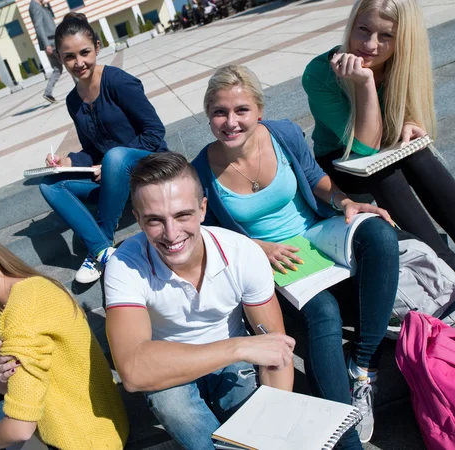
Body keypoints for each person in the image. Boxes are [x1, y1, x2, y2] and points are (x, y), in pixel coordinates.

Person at [192, 65, 400, 448]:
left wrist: (346, 201)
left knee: (379, 233)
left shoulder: (283, 133)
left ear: (258, 109)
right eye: (220, 112)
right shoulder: (201, 171)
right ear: (209, 115)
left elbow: (313, 175)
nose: (231, 121)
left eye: (241, 110)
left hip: (317, 231)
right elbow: (207, 233)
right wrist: (259, 249)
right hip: (273, 257)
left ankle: (363, 364)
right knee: (323, 313)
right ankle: (343, 433)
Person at [105, 152, 296, 450]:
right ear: (139, 220)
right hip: (172, 363)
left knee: (258, 424)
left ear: (203, 208)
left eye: (182, 215)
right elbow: (132, 372)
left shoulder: (241, 253)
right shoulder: (124, 265)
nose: (171, 234)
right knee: (174, 405)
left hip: (231, 364)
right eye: (155, 220)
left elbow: (278, 353)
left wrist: (272, 432)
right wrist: (239, 346)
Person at [0, 221, 129, 450]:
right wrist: (1, 377)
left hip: (88, 441)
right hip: (72, 430)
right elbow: (1, 384)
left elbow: (20, 428)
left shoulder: (25, 307)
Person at [302, 0, 455, 270]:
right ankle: (445, 266)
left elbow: (408, 112)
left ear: (402, 41)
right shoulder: (320, 73)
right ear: (351, 26)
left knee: (418, 155)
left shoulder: (401, 62)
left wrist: (410, 121)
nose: (370, 45)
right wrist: (365, 82)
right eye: (363, 29)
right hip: (340, 162)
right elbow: (364, 147)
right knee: (382, 172)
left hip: (386, 149)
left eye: (386, 36)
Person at [39, 13, 168, 284]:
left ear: (97, 47)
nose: (79, 63)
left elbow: (155, 132)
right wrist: (70, 161)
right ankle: (103, 251)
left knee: (116, 157)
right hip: (114, 178)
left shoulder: (119, 82)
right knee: (49, 184)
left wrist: (109, 164)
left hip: (152, 168)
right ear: (61, 60)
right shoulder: (73, 101)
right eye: (69, 57)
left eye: (85, 52)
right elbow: (93, 150)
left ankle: (101, 238)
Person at [28, 0, 63, 104]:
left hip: (51, 40)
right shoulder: (35, 6)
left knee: (57, 69)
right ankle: (83, 89)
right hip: (51, 42)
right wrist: (46, 44)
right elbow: (38, 26)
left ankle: (48, 92)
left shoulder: (40, 6)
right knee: (70, 62)